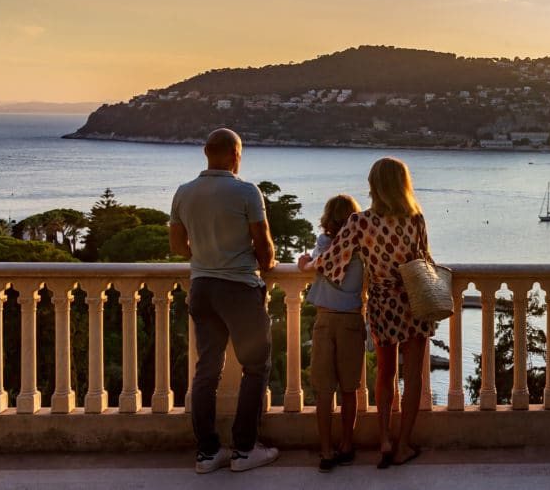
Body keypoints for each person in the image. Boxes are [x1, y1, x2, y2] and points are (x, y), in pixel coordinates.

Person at [169, 128, 280, 474]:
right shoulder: (246, 191)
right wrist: (261, 261)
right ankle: (244, 450)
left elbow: (177, 247)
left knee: (207, 369)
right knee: (256, 366)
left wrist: (207, 254)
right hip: (239, 289)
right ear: (235, 155)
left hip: (202, 287)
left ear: (205, 152)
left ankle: (207, 453)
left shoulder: (184, 192)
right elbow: (264, 249)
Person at [316, 157, 433, 469]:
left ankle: (384, 439)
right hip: (413, 301)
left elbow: (332, 260)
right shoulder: (415, 219)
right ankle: (403, 445)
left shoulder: (360, 222)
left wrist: (307, 261)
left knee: (385, 373)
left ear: (374, 185)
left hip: (382, 302)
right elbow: (425, 259)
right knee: (413, 376)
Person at [297, 194, 366, 473]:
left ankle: (326, 451)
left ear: (328, 217)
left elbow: (314, 264)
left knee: (324, 391)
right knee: (349, 389)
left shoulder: (325, 242)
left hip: (325, 320)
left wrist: (303, 264)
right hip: (351, 320)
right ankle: (346, 445)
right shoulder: (362, 245)